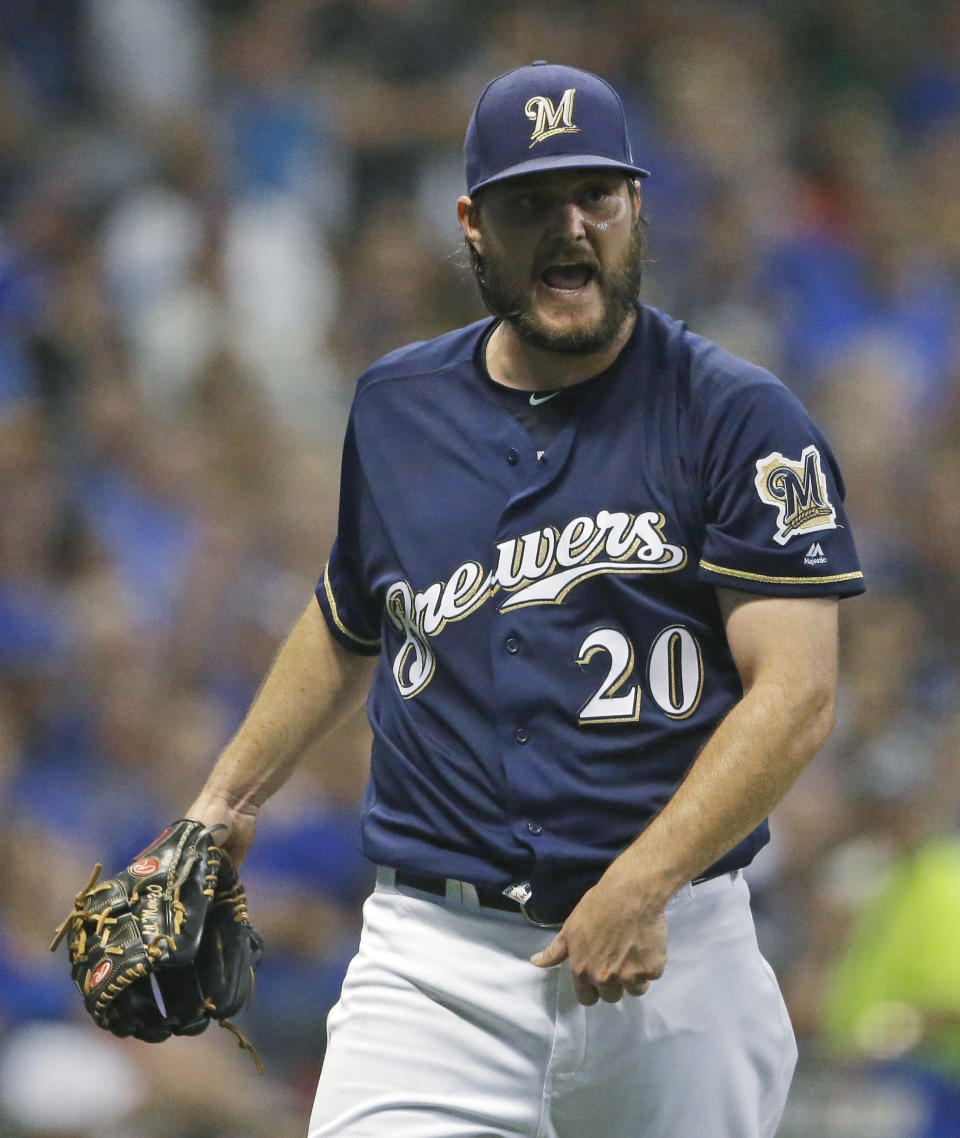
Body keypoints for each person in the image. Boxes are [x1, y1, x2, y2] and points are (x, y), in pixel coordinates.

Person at [186, 62, 865, 1137]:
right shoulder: (400, 405)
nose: (571, 227)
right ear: (472, 224)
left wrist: (645, 880)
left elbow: (798, 695)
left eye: (596, 195)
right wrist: (224, 799)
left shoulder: (739, 417)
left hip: (675, 956)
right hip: (437, 966)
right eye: (530, 203)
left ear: (637, 206)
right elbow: (351, 612)